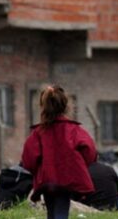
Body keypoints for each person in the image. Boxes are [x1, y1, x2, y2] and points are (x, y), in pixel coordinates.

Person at [21, 85, 97, 219]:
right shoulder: (73, 130)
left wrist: (38, 170)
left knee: (51, 212)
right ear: (65, 106)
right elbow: (89, 151)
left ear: (43, 106)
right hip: (67, 178)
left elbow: (29, 159)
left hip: (47, 179)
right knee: (62, 210)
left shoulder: (38, 132)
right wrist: (78, 165)